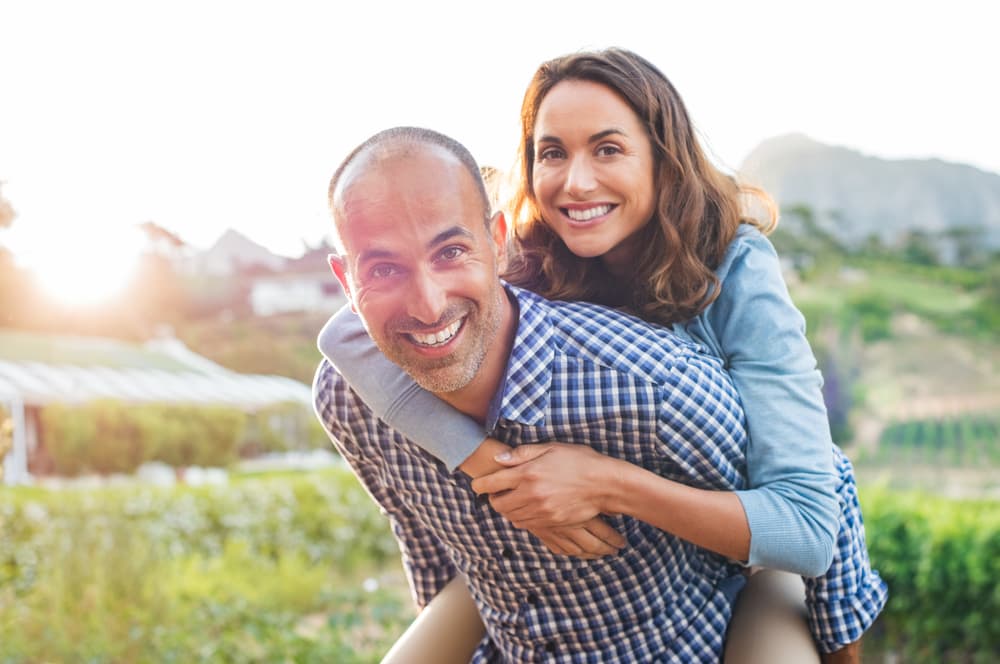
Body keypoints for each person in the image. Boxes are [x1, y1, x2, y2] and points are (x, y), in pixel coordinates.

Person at [320, 48, 887, 662]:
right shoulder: (527, 256)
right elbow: (345, 336)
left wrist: (606, 482)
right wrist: (488, 465)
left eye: (608, 149)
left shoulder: (735, 270)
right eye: (553, 153)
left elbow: (809, 503)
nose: (576, 181)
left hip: (735, 543)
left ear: (662, 159)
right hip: (565, 568)